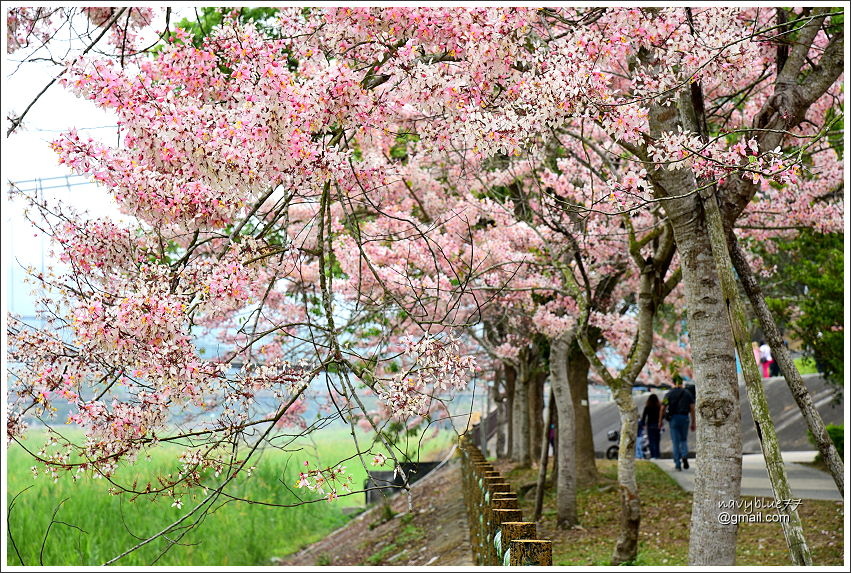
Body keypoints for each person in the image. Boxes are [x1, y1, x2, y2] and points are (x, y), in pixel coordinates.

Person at [659, 375, 696, 471]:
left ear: (673, 382)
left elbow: (663, 408)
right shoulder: (687, 393)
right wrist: (693, 422)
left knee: (676, 442)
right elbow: (692, 408)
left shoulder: (669, 394)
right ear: (681, 382)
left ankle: (678, 464)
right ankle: (684, 455)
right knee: (683, 440)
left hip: (674, 419)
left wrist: (660, 421)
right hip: (685, 418)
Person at [640, 393, 661, 459]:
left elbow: (644, 417)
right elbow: (663, 415)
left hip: (650, 425)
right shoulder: (659, 407)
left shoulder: (647, 407)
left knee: (651, 441)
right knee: (657, 441)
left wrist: (642, 424)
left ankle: (653, 455)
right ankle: (657, 455)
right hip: (657, 425)